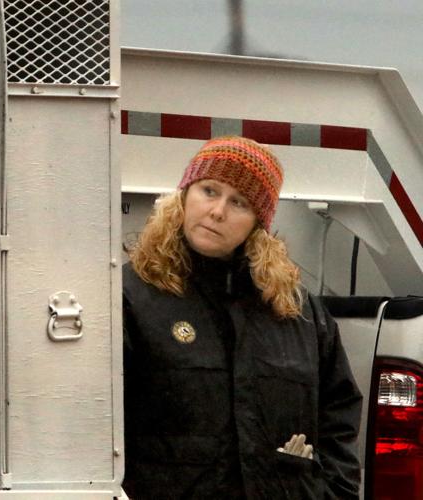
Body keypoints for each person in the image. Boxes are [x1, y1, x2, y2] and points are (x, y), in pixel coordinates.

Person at [122, 136, 362, 499]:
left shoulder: (297, 312)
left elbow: (338, 418)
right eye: (209, 190)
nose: (218, 211)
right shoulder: (131, 295)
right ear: (184, 195)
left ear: (258, 222)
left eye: (239, 202)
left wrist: (330, 492)